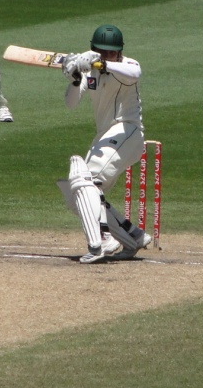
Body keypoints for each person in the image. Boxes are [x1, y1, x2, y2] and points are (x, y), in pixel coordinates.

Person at [57, 25, 152, 263]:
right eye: (102, 52)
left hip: (128, 132)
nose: (107, 55)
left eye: (112, 52)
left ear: (120, 53)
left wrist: (102, 64)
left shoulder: (128, 65)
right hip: (104, 138)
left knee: (89, 179)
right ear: (94, 50)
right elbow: (70, 103)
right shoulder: (88, 69)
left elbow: (135, 74)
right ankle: (133, 237)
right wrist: (76, 76)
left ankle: (103, 238)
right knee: (77, 193)